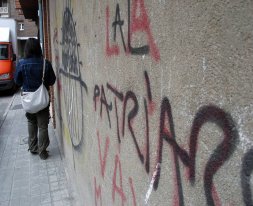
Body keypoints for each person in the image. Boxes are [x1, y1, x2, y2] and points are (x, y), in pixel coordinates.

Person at [14, 38, 56, 160]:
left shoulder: (21, 64)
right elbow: (52, 80)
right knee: (43, 126)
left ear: (27, 49)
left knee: (31, 122)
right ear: (39, 48)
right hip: (42, 100)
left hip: (28, 101)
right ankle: (42, 151)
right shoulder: (45, 63)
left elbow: (17, 81)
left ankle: (33, 148)